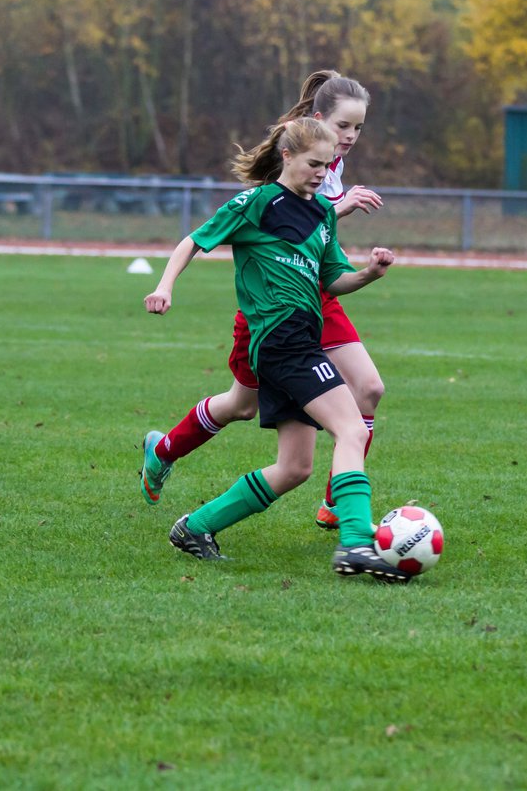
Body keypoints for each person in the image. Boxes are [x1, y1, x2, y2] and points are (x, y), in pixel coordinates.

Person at [143, 117, 409, 582]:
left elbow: (332, 281)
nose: (322, 175)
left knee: (295, 468)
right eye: (313, 164)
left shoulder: (323, 214)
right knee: (350, 429)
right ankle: (354, 543)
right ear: (287, 156)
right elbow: (192, 241)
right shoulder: (258, 202)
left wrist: (369, 273)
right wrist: (165, 286)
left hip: (302, 341)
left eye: (328, 167)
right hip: (281, 343)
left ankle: (195, 527)